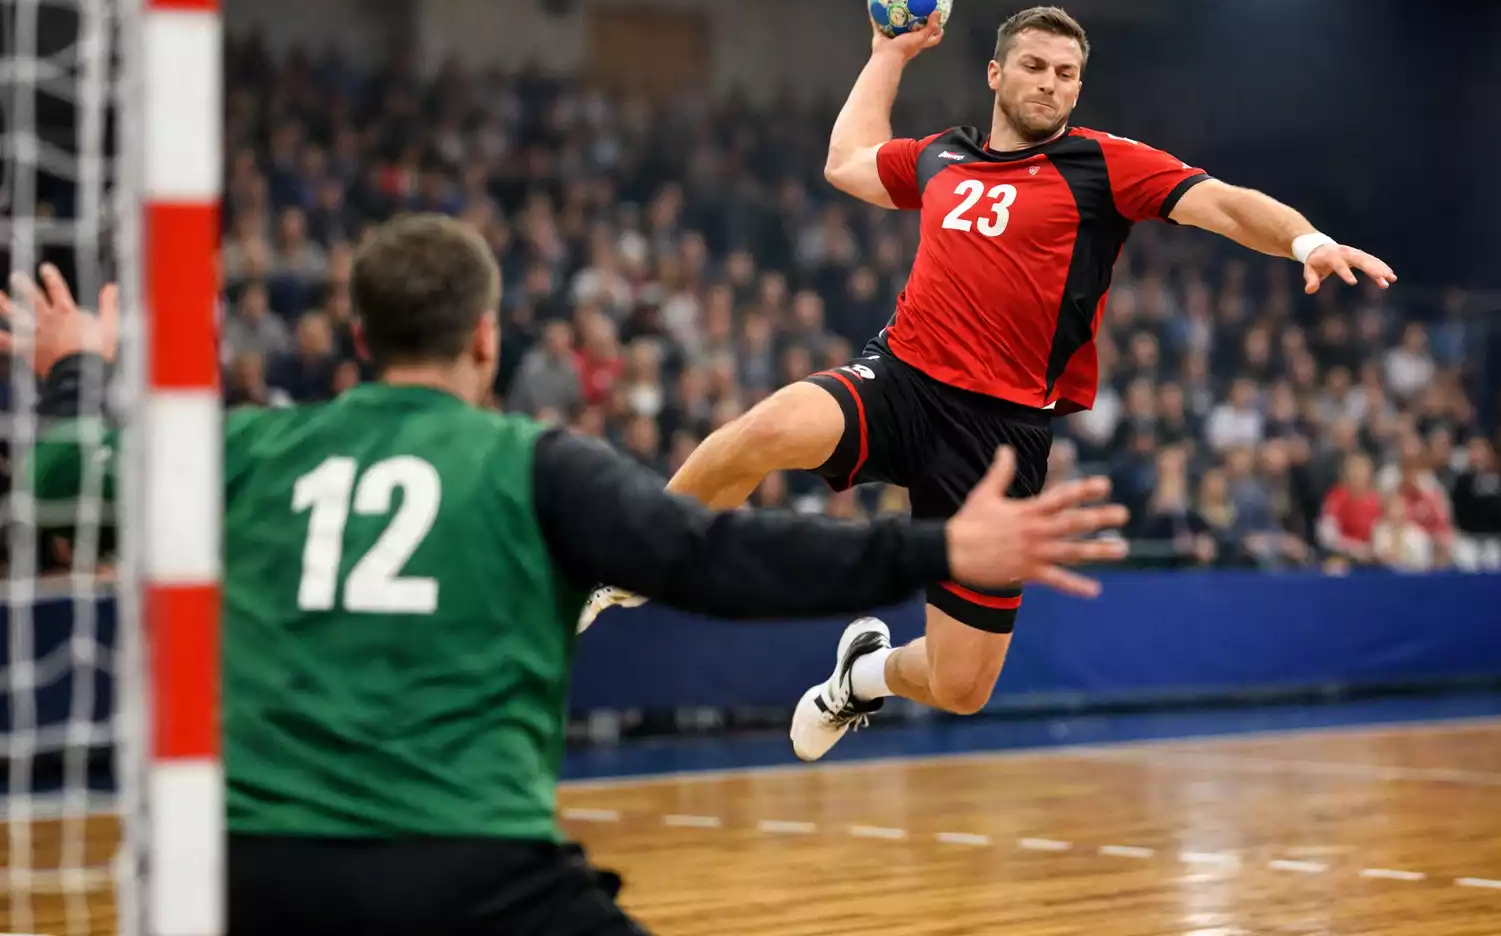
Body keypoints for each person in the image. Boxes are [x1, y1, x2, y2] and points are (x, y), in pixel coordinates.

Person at [11, 214, 1129, 936]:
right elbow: (723, 558)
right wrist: (931, 547)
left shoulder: (249, 449)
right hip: (474, 875)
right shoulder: (531, 466)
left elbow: (61, 488)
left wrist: (76, 372)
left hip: (248, 877)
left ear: (355, 334)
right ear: (489, 340)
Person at [581, 5, 1399, 764]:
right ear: (997, 76)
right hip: (899, 379)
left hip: (1000, 438)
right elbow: (847, 163)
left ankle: (859, 678)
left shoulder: (1105, 165)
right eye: (1035, 66)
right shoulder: (944, 155)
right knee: (763, 432)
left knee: (961, 687)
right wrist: (887, 54)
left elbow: (1222, 204)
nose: (1051, 83)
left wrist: (1306, 242)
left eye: (1067, 73)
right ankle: (633, 563)